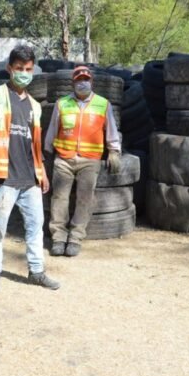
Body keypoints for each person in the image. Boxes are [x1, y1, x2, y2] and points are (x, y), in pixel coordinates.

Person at [0, 44, 60, 294]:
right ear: (9, 68)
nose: (24, 73)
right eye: (19, 68)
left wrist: (42, 172)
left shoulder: (34, 105)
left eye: (28, 69)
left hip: (29, 179)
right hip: (3, 178)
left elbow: (35, 144)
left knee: (35, 227)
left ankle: (36, 271)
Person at [43, 66, 121, 257]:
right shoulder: (62, 103)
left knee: (85, 198)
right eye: (79, 80)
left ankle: (76, 238)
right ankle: (58, 237)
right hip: (64, 158)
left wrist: (114, 150)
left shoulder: (103, 104)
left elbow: (111, 128)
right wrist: (46, 152)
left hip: (90, 160)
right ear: (73, 82)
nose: (82, 83)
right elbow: (53, 128)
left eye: (86, 79)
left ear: (91, 81)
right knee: (59, 198)